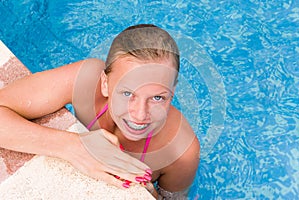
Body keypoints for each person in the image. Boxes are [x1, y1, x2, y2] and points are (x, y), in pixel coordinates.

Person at [0, 24, 200, 199]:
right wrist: (71, 146)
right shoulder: (86, 81)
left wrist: (147, 195)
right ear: (105, 83)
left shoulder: (181, 151)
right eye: (127, 93)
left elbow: (173, 199)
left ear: (172, 93)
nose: (139, 115)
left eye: (158, 98)